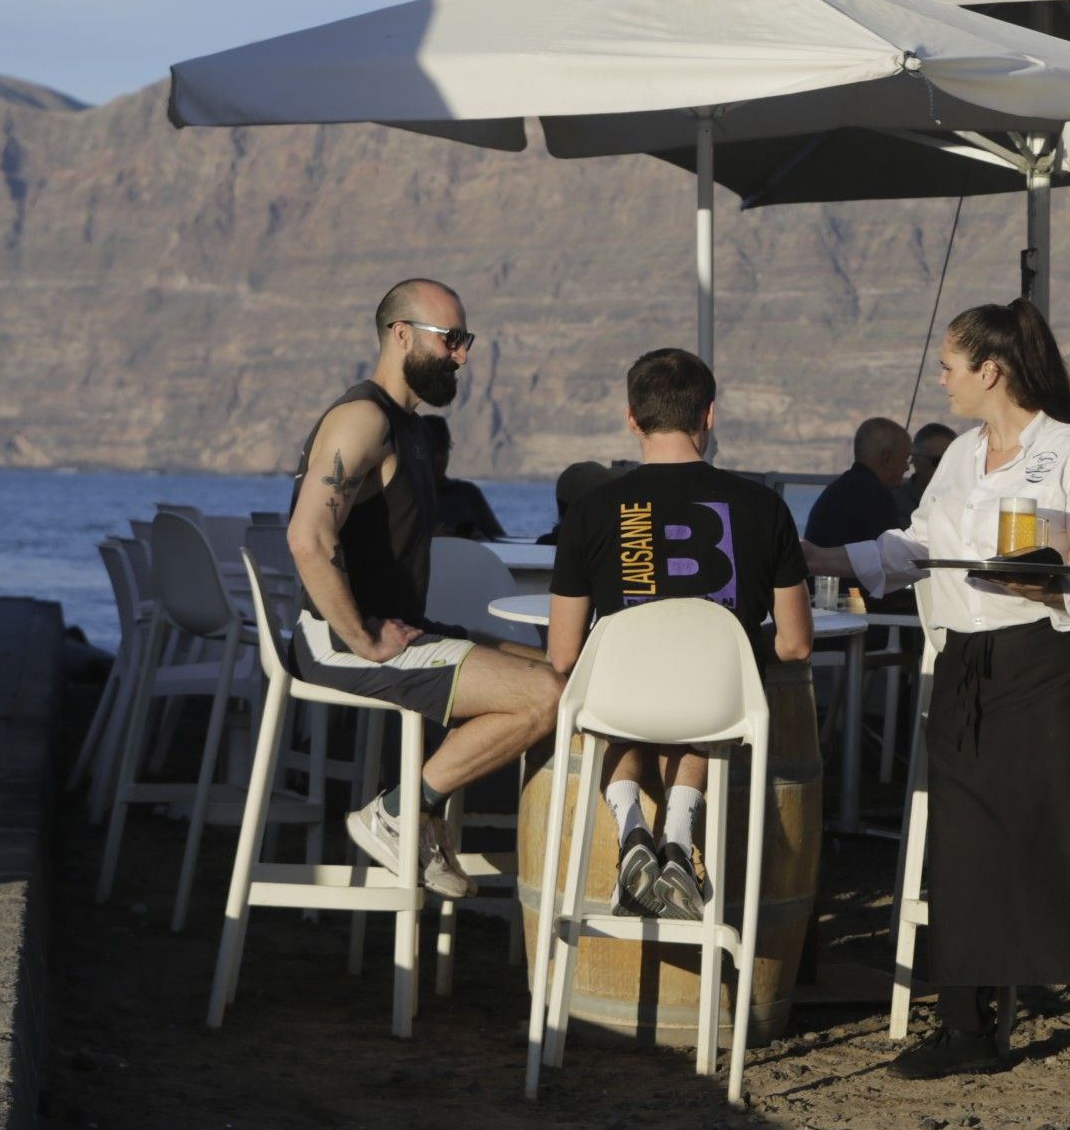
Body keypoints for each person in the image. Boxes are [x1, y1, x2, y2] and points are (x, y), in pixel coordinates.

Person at [802, 299, 1070, 1094]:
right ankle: (967, 1026)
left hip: (1052, 662)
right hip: (968, 662)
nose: (940, 380)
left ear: (991, 370)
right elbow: (917, 544)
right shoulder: (962, 457)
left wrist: (1044, 580)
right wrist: (816, 555)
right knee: (967, 844)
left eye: (948, 366)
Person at [284, 279, 561, 898]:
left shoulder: (407, 427)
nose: (462, 356)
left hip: (400, 630)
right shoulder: (362, 419)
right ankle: (402, 811)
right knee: (543, 696)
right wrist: (359, 635)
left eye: (466, 341)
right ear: (400, 335)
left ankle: (428, 815)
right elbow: (307, 537)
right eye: (451, 340)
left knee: (566, 677)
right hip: (342, 642)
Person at [545, 349, 813, 918]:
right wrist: (731, 644)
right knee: (707, 683)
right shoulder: (766, 508)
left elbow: (564, 653)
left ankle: (631, 828)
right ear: (709, 416)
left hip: (621, 702)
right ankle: (678, 836)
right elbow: (794, 644)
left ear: (631, 420)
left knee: (608, 682)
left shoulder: (590, 511)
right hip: (715, 707)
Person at [808, 417, 913, 549]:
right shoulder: (875, 498)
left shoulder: (838, 490)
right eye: (905, 458)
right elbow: (892, 557)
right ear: (886, 458)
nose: (907, 467)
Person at [416, 414, 506, 542]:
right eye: (432, 449)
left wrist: (479, 539)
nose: (438, 457)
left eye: (443, 449)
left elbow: (500, 541)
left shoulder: (468, 494)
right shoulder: (403, 495)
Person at [898, 421, 957, 523]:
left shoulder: (965, 503)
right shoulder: (893, 502)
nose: (946, 469)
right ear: (914, 460)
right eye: (938, 461)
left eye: (953, 463)